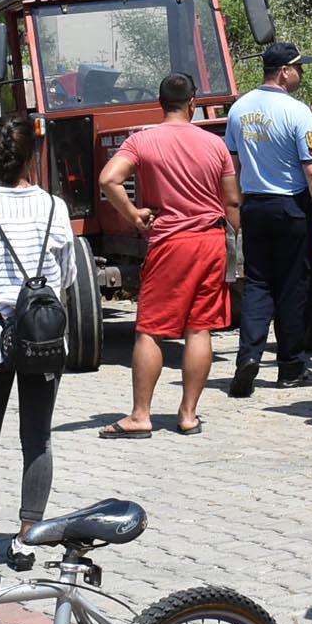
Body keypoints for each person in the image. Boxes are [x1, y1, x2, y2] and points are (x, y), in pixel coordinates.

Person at [0, 115, 78, 565]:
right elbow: (68, 274)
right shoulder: (54, 207)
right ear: (32, 158)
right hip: (42, 339)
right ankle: (28, 537)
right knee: (38, 437)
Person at [95, 75, 239, 437]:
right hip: (210, 241)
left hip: (170, 242)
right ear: (193, 102)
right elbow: (233, 200)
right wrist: (236, 241)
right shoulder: (214, 144)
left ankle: (141, 416)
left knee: (150, 330)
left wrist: (133, 214)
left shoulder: (142, 140)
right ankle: (188, 414)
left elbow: (108, 179)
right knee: (199, 327)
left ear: (160, 103)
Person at [227, 42, 312, 396]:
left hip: (254, 204)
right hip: (290, 206)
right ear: (284, 71)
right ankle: (290, 366)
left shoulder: (239, 109)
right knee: (292, 285)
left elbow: (234, 164)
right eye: (299, 68)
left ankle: (248, 357)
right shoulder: (296, 111)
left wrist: (238, 205)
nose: (301, 74)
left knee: (257, 283)